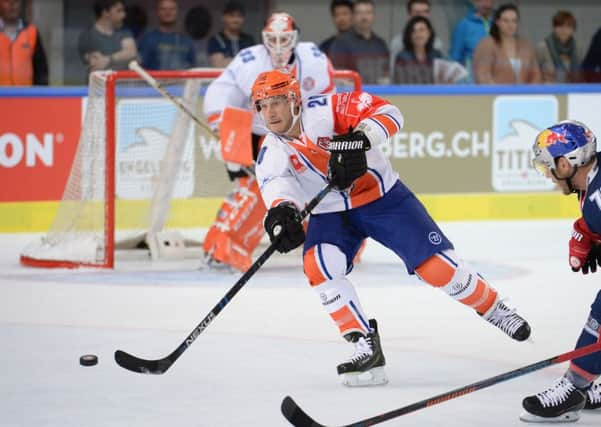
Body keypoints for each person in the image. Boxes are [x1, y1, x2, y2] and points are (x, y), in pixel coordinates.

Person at [252, 69, 532, 386]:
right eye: (263, 105)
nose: (270, 112)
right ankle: (364, 346)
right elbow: (277, 188)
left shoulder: (327, 109)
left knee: (437, 268)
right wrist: (281, 217)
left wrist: (359, 140)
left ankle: (493, 307)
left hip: (383, 199)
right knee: (318, 266)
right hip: (332, 214)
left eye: (277, 101)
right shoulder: (270, 151)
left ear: (294, 100)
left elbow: (389, 112)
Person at [201, 12, 335, 272]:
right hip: (255, 133)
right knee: (257, 186)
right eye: (271, 39)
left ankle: (327, 239)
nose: (278, 45)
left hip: (299, 133)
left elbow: (326, 100)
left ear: (295, 38)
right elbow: (219, 94)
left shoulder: (314, 59)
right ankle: (222, 247)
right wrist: (228, 135)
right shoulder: (249, 60)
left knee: (315, 183)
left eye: (284, 39)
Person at [521, 120, 601, 422]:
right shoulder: (592, 185)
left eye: (548, 168)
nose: (549, 176)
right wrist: (586, 231)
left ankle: (573, 389)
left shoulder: (597, 196)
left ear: (566, 164)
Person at [472, 3, 541, 84]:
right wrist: (498, 93)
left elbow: (536, 74)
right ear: (497, 22)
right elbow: (482, 76)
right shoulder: (486, 45)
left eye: (514, 21)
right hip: (496, 95)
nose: (510, 25)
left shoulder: (526, 46)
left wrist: (530, 93)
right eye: (506, 21)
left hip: (525, 95)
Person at [328, 0, 389, 84]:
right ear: (353, 16)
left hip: (378, 94)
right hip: (353, 94)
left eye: (368, 12)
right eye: (359, 13)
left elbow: (387, 74)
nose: (364, 17)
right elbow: (336, 76)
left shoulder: (381, 44)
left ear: (374, 16)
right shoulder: (341, 43)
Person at [78, 0, 138, 74]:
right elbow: (94, 63)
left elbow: (131, 52)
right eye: (119, 11)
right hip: (99, 84)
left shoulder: (124, 32)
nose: (124, 15)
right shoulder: (88, 35)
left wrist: (108, 59)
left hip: (123, 84)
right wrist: (120, 57)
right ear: (105, 12)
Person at [389, 0, 444, 76]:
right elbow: (393, 72)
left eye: (425, 12)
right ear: (409, 15)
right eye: (417, 12)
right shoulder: (397, 42)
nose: (421, 16)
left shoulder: (437, 43)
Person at [0, 0, 48, 85]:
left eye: (16, 1)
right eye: (7, 1)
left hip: (25, 95)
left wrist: (40, 94)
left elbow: (41, 70)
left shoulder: (32, 32)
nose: (12, 5)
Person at [138, 0, 195, 70]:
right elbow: (141, 68)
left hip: (183, 80)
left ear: (177, 11)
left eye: (171, 9)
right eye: (163, 9)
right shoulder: (148, 39)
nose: (168, 12)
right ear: (158, 12)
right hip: (156, 80)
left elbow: (193, 68)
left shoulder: (187, 41)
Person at [449, 0, 495, 81]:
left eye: (489, 1)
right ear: (475, 2)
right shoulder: (463, 25)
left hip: (497, 82)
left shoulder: (500, 23)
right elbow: (455, 58)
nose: (486, 4)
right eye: (482, 1)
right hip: (472, 83)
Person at [392, 16, 444, 84]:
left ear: (429, 33)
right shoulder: (402, 57)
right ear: (409, 35)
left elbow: (442, 83)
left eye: (422, 30)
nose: (418, 35)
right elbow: (400, 85)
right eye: (414, 31)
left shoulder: (437, 55)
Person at [536, 11, 582, 83]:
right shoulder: (543, 47)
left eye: (568, 26)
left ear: (573, 29)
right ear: (554, 28)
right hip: (548, 89)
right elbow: (535, 72)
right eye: (560, 26)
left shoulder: (577, 47)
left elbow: (579, 72)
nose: (564, 30)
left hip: (572, 89)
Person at [207, 1, 255, 68]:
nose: (236, 20)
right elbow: (219, 65)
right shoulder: (215, 40)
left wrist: (228, 60)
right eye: (231, 16)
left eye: (239, 16)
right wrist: (244, 61)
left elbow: (254, 64)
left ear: (244, 19)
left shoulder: (249, 40)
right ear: (224, 17)